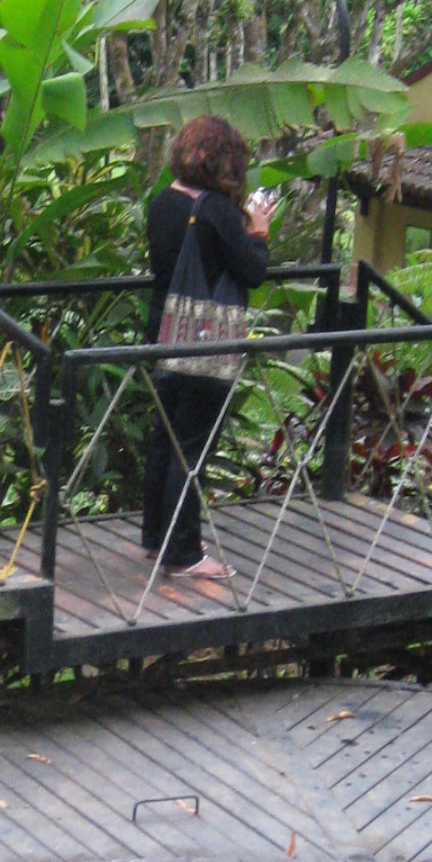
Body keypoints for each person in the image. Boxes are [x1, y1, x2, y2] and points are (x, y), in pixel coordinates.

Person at [143, 114, 276, 582]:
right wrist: (258, 230)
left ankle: (156, 538)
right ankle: (183, 554)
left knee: (166, 439)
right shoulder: (217, 210)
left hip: (164, 333)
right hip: (205, 339)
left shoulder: (162, 203)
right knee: (192, 447)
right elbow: (252, 271)